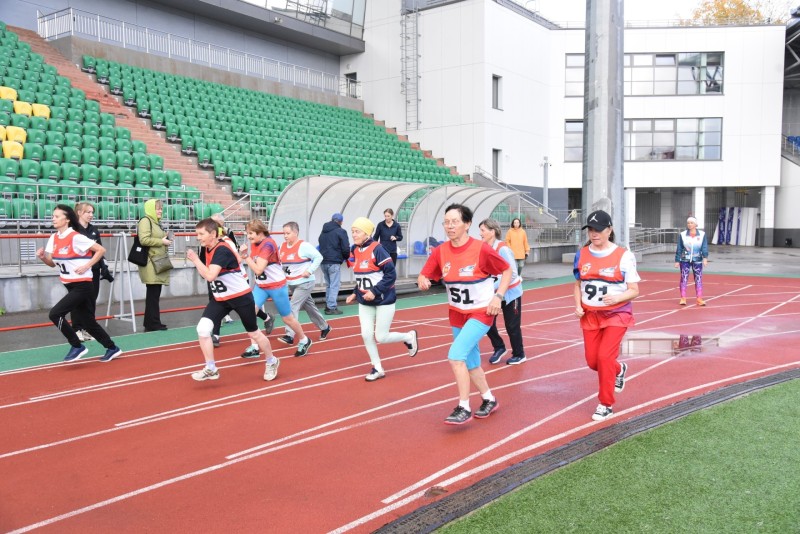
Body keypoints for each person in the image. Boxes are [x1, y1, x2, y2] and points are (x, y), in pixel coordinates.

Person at [418, 204, 512, 425]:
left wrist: (498, 297)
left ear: (467, 224)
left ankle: (463, 406)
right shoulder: (441, 251)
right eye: (446, 222)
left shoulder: (481, 249)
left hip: (481, 312)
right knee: (471, 362)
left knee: (456, 356)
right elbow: (426, 273)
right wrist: (423, 279)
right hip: (457, 314)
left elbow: (507, 270)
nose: (450, 226)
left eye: (454, 222)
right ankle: (489, 398)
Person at [185, 218, 279, 382]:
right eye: (197, 234)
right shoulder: (207, 249)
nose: (198, 237)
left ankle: (272, 361)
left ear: (213, 234)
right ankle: (211, 367)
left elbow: (210, 275)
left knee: (254, 333)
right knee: (203, 329)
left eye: (201, 234)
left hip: (240, 297)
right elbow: (208, 274)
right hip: (221, 299)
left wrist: (195, 260)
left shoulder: (221, 249)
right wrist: (200, 262)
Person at [573, 209, 640, 422]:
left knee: (604, 357)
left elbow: (634, 290)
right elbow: (578, 285)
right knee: (593, 362)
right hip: (590, 316)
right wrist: (578, 305)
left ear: (609, 230)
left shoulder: (624, 256)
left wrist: (617, 299)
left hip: (616, 315)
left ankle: (605, 404)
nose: (594, 234)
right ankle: (619, 369)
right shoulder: (581, 254)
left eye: (599, 230)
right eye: (591, 230)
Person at [36, 204, 122, 363]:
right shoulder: (54, 238)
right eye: (53, 216)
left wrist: (87, 265)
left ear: (67, 219)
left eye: (56, 216)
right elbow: (52, 263)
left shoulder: (76, 237)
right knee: (89, 322)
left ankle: (77, 346)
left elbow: (101, 250)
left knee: (55, 314)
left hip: (83, 285)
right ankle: (112, 348)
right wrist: (42, 257)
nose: (53, 219)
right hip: (70, 285)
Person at [345, 216, 418, 381]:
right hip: (365, 301)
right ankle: (377, 367)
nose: (354, 234)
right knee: (365, 335)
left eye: (357, 231)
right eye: (352, 231)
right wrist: (355, 293)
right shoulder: (354, 250)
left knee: (382, 337)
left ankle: (408, 337)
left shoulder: (378, 249)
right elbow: (362, 276)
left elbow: (391, 275)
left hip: (384, 299)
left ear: (366, 233)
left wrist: (375, 291)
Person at [239, 219, 313, 358]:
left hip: (276, 286)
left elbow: (259, 269)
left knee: (287, 318)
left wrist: (245, 256)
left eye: (251, 233)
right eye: (247, 233)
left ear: (260, 232)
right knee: (250, 312)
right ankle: (255, 346)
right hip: (261, 286)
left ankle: (304, 339)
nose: (248, 237)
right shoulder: (255, 242)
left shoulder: (268, 244)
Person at [478, 218, 526, 365]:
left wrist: (493, 286)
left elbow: (511, 273)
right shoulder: (484, 248)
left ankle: (519, 354)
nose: (480, 233)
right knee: (486, 322)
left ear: (492, 232)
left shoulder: (503, 249)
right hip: (493, 294)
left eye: (483, 230)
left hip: (511, 293)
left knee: (512, 325)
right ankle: (499, 347)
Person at [278, 221, 332, 346]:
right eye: (284, 233)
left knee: (292, 306)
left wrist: (309, 270)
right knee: (309, 306)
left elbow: (319, 257)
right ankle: (325, 327)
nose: (285, 236)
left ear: (295, 233)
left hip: (305, 282)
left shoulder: (304, 246)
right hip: (292, 283)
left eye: (288, 233)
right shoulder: (282, 247)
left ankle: (289, 335)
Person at [71, 201, 114, 342]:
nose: (91, 215)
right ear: (79, 213)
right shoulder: (73, 230)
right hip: (79, 270)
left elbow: (99, 250)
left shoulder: (94, 230)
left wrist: (103, 267)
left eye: (92, 212)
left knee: (91, 300)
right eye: (88, 212)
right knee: (77, 301)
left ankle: (88, 328)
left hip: (93, 270)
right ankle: (77, 329)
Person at [137, 199, 171, 332]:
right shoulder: (146, 221)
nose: (160, 211)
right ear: (150, 209)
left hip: (157, 261)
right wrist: (161, 241)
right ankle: (153, 323)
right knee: (153, 294)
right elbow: (143, 239)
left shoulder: (156, 223)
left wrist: (165, 238)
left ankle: (152, 322)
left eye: (161, 208)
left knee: (154, 294)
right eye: (157, 208)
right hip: (151, 262)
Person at [318, 212, 350, 315]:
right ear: (341, 222)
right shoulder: (341, 231)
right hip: (334, 261)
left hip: (323, 262)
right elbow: (345, 248)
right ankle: (331, 307)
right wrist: (345, 257)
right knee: (334, 285)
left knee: (329, 285)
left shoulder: (323, 232)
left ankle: (328, 305)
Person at [674, 216, 708, 306]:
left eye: (691, 223)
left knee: (698, 279)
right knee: (684, 278)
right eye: (688, 223)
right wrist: (677, 260)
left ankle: (699, 299)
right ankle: (683, 298)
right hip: (684, 259)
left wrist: (705, 258)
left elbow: (704, 247)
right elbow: (679, 248)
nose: (689, 224)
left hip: (697, 259)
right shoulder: (683, 234)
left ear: (696, 224)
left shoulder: (702, 234)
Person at [211, 212, 238, 325]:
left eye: (217, 224)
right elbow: (203, 253)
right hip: (212, 270)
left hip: (228, 271)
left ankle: (264, 316)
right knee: (214, 297)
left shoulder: (228, 235)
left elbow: (236, 249)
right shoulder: (208, 236)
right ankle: (216, 329)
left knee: (237, 299)